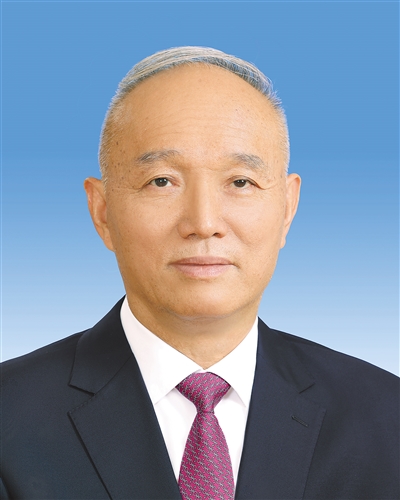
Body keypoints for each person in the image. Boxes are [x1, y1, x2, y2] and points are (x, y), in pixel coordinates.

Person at [1, 47, 398, 500]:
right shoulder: (10, 418)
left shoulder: (386, 417)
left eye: (241, 182)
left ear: (287, 208)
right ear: (103, 211)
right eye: (162, 181)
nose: (204, 222)